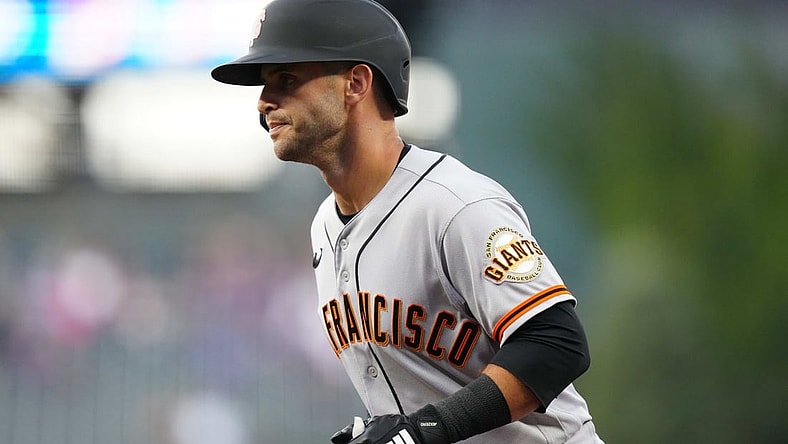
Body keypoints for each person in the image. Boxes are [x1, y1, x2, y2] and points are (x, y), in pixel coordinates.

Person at [211, 0, 604, 442]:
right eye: (265, 85)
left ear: (356, 83)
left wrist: (427, 429)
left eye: (287, 79)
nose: (265, 101)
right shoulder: (324, 226)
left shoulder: (455, 206)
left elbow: (556, 345)